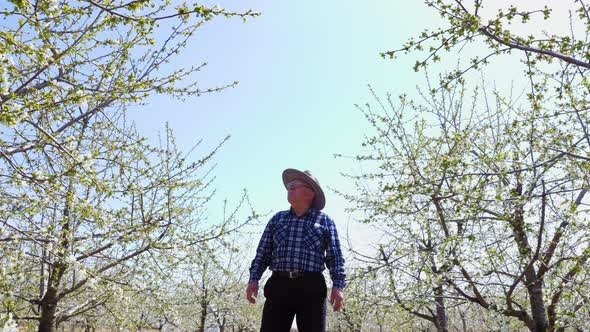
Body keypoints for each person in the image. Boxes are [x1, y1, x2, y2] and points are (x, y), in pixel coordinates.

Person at [246, 168, 346, 332]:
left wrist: (338, 286)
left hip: (311, 288)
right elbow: (262, 254)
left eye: (295, 186)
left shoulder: (324, 221)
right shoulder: (277, 219)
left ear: (310, 193)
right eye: (289, 186)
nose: (290, 188)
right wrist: (253, 279)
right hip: (279, 285)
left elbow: (335, 256)